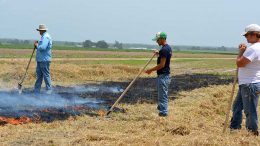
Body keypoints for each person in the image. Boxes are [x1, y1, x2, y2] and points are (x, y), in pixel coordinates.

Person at [230, 24, 260, 136]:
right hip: (248, 83)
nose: (246, 38)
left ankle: (252, 133)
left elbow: (240, 63)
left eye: (247, 35)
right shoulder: (255, 48)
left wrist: (241, 52)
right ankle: (234, 128)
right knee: (237, 106)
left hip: (249, 84)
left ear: (254, 35)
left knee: (249, 111)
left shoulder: (254, 49)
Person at [145, 32, 172, 117]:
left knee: (162, 96)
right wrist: (158, 54)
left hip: (163, 76)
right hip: (165, 75)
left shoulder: (164, 49)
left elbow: (162, 65)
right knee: (162, 94)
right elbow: (167, 57)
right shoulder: (168, 48)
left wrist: (150, 70)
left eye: (157, 40)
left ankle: (163, 114)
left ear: (162, 39)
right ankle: (161, 109)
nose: (156, 41)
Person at [34, 24, 53, 94]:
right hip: (40, 59)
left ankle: (48, 90)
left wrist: (37, 45)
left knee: (46, 75)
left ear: (42, 30)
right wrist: (38, 45)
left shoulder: (46, 37)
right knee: (39, 75)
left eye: (39, 30)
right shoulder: (43, 37)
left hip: (44, 60)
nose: (39, 32)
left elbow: (43, 47)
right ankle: (36, 90)